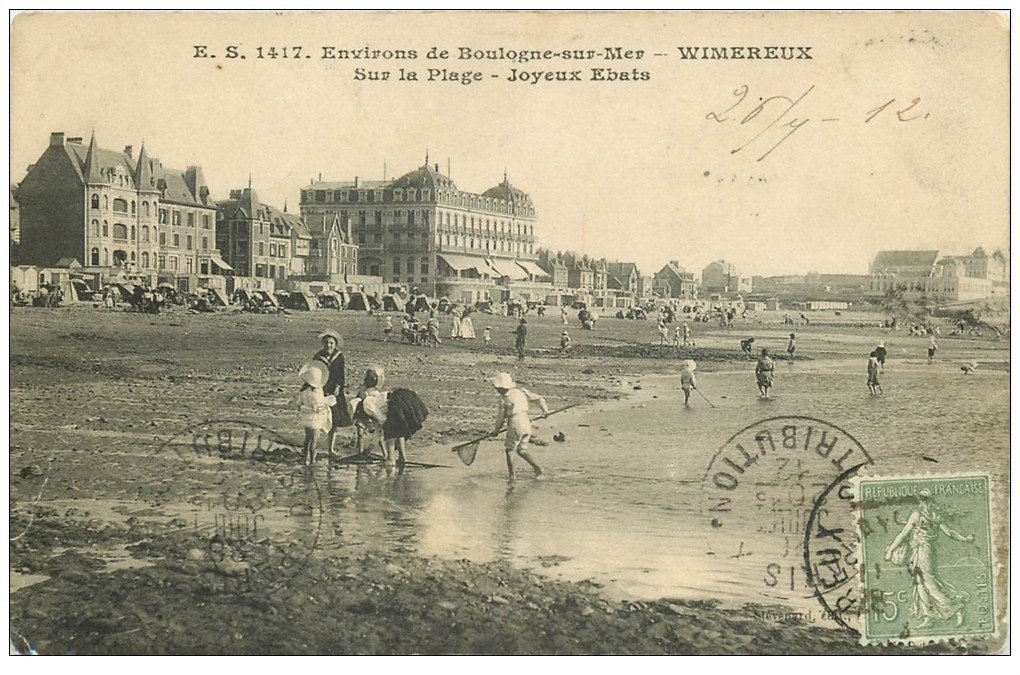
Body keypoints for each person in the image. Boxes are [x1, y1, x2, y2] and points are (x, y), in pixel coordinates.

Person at [884, 489, 974, 630]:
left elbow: (903, 534)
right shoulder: (934, 515)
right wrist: (965, 539)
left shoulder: (918, 515)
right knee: (919, 583)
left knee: (929, 583)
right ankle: (929, 617)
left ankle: (956, 608)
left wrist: (890, 550)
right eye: (924, 500)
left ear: (922, 500)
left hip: (924, 551)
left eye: (923, 500)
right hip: (920, 551)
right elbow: (949, 533)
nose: (924, 502)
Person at [490, 372, 549, 480]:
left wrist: (496, 430)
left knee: (509, 450)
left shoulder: (503, 399)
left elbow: (501, 418)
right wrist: (545, 410)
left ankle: (512, 476)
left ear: (501, 388)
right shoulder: (521, 392)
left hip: (515, 423)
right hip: (526, 422)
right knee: (522, 450)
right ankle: (538, 469)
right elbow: (538, 398)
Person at [313, 329, 353, 456]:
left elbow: (341, 374)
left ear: (335, 344)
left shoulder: (339, 356)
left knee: (335, 420)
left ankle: (330, 449)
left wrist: (339, 386)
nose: (328, 346)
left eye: (331, 343)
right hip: (322, 390)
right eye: (326, 343)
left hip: (335, 392)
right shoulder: (318, 356)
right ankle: (314, 447)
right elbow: (313, 374)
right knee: (318, 419)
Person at [292, 361, 337, 466]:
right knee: (314, 441)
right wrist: (329, 401)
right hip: (315, 419)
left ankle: (305, 460)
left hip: (306, 418)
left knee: (307, 440)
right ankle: (312, 461)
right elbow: (320, 403)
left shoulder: (304, 391)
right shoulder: (317, 391)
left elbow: (298, 403)